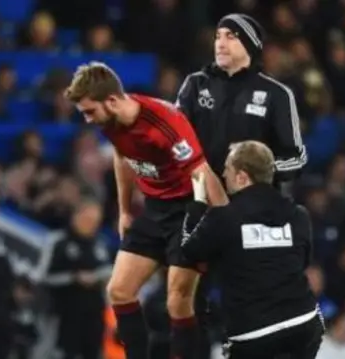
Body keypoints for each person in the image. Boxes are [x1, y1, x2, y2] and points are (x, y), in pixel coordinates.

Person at [64, 62, 228, 359]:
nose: (88, 120)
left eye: (90, 112)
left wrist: (228, 225)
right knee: (119, 291)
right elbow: (122, 156)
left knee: (178, 301)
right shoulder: (112, 124)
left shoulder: (164, 123)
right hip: (154, 210)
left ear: (111, 101)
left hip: (187, 210)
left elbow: (203, 174)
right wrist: (125, 210)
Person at [181, 141, 323, 359]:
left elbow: (189, 252)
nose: (223, 174)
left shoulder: (224, 218)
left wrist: (197, 204)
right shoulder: (299, 215)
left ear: (242, 177)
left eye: (227, 169)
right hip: (304, 323)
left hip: (254, 334)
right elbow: (302, 262)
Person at [175, 13, 307, 192]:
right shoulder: (195, 85)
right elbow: (173, 139)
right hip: (199, 199)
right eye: (218, 37)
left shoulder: (277, 94)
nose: (220, 44)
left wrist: (256, 170)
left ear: (250, 45)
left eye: (230, 37)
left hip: (253, 204)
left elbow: (295, 159)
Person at [43, 199, 112, 359]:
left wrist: (105, 279)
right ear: (76, 216)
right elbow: (44, 276)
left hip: (94, 314)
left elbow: (106, 270)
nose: (92, 225)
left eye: (96, 222)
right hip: (65, 314)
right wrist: (74, 277)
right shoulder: (58, 241)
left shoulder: (100, 245)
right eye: (88, 220)